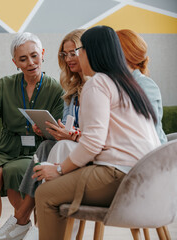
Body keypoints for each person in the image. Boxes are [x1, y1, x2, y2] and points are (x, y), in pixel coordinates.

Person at [34, 25, 161, 240]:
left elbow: (93, 145)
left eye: (79, 51)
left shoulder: (99, 82)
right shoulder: (129, 83)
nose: (76, 57)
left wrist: (58, 170)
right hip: (145, 178)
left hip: (119, 176)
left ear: (91, 51)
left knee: (45, 194)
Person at [0, 32, 64, 239]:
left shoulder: (55, 89)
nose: (30, 63)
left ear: (43, 54)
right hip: (5, 147)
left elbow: (59, 129)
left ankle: (20, 228)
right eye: (23, 59)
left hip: (36, 149)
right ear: (15, 62)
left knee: (14, 171)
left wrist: (44, 132)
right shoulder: (5, 84)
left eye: (34, 56)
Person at [0, 29, 85, 240]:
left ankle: (22, 221)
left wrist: (70, 136)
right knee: (48, 147)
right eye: (65, 54)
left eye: (73, 53)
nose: (69, 59)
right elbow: (71, 124)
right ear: (15, 62)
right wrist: (53, 131)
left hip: (83, 149)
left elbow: (93, 132)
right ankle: (27, 223)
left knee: (51, 149)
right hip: (68, 145)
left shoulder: (95, 86)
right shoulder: (71, 87)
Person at [116, 29, 167, 144]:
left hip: (151, 155)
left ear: (125, 53)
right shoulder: (119, 84)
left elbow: (147, 129)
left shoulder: (145, 85)